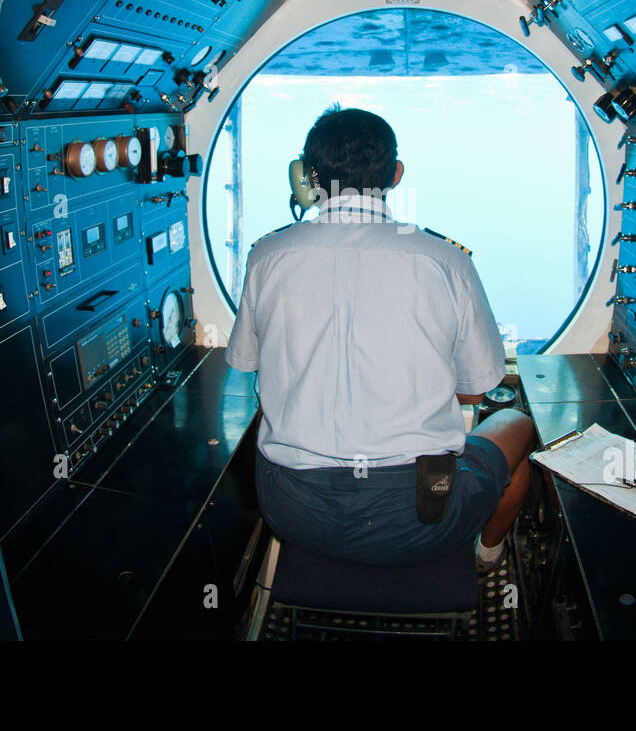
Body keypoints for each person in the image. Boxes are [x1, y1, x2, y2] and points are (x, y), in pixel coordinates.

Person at [225, 105, 534, 570]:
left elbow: (248, 364)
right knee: (519, 428)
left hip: (291, 511)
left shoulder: (266, 255)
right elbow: (473, 390)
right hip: (423, 516)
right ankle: (487, 559)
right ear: (396, 174)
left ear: (308, 176)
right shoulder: (446, 261)